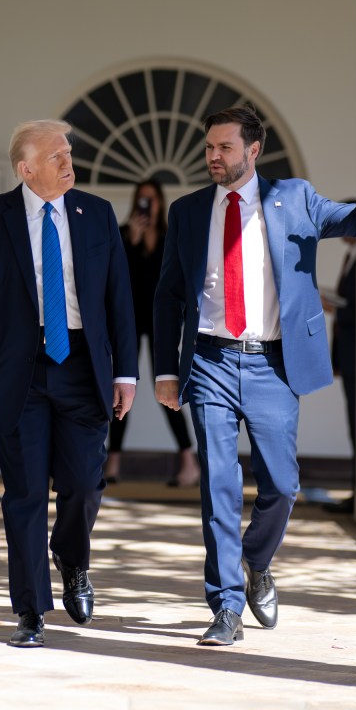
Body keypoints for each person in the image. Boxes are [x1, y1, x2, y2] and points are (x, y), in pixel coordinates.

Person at [154, 105, 356, 646]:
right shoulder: (189, 211)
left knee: (282, 487)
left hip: (272, 364)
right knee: (218, 485)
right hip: (210, 361)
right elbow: (168, 295)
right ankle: (225, 609)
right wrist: (166, 371)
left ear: (253, 150)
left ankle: (256, 560)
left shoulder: (296, 199)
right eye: (210, 147)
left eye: (225, 148)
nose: (214, 157)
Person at [0, 120, 138, 649]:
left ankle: (72, 560)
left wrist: (126, 371)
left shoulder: (96, 214)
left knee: (82, 485)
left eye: (69, 152)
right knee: (26, 493)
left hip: (83, 366)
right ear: (26, 169)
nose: (68, 161)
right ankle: (30, 611)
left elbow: (120, 298)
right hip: (16, 373)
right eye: (56, 155)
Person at [104, 180, 200, 488]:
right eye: (141, 200)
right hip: (128, 321)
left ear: (160, 203)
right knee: (122, 387)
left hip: (162, 322)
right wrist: (131, 240)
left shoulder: (170, 237)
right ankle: (112, 463)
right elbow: (113, 279)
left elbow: (178, 281)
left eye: (152, 200)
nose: (146, 205)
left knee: (168, 389)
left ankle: (189, 463)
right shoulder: (121, 234)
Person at [321, 233, 356, 514]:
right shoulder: (352, 259)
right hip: (346, 352)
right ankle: (355, 490)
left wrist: (335, 308)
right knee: (352, 419)